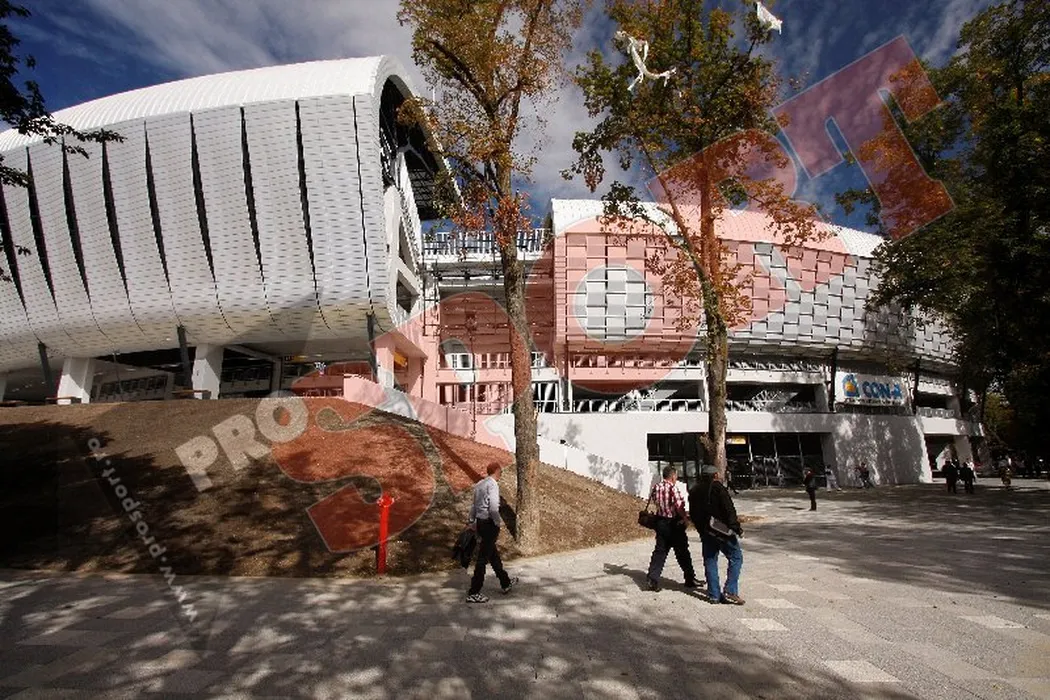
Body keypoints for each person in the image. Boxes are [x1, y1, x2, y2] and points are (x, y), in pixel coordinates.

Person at [689, 465, 745, 605]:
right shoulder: (718, 488)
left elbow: (693, 514)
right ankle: (730, 590)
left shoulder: (694, 490)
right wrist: (736, 528)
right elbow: (729, 510)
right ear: (714, 475)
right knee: (736, 557)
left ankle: (714, 594)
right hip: (722, 531)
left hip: (706, 531)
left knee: (710, 560)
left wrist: (700, 529)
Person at [465, 462, 517, 603]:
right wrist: (497, 522)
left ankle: (505, 582)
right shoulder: (493, 485)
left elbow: (474, 505)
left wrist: (471, 521)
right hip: (489, 523)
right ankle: (474, 592)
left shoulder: (480, 484)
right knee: (483, 558)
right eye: (500, 471)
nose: (501, 473)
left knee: (492, 554)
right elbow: (494, 507)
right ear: (496, 471)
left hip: (481, 523)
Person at [645, 466, 699, 592]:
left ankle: (652, 579)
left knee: (660, 552)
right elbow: (679, 506)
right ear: (673, 476)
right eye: (676, 475)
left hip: (661, 522)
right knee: (682, 552)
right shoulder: (672, 488)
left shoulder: (656, 487)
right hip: (674, 524)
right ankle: (690, 578)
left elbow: (655, 502)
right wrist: (685, 519)